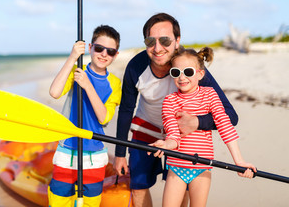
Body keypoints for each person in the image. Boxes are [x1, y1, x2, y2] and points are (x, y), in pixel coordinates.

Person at [114, 13, 238, 207]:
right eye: (150, 41)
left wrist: (198, 122)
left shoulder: (189, 67)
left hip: (182, 135)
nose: (157, 48)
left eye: (165, 40)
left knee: (182, 196)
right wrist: (120, 153)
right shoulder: (136, 66)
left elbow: (231, 116)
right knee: (137, 187)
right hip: (144, 130)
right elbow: (126, 109)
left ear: (177, 40)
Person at [148, 47, 256, 207]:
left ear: (200, 74)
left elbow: (224, 124)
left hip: (202, 168)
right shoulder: (169, 101)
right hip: (176, 166)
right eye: (176, 73)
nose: (182, 77)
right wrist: (166, 145)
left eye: (188, 72)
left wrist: (239, 161)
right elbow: (173, 135)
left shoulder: (210, 94)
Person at [48, 25, 122, 207]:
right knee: (59, 201)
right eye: (99, 48)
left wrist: (87, 85)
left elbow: (104, 118)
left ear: (115, 55)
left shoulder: (114, 83)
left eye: (110, 51)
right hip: (67, 150)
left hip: (94, 156)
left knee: (90, 203)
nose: (104, 54)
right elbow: (54, 92)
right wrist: (73, 57)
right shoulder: (76, 70)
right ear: (90, 48)